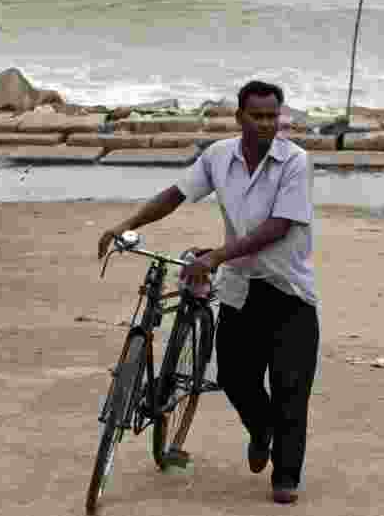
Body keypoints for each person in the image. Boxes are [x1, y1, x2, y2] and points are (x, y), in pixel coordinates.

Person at [97, 80, 319, 504]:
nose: (267, 124)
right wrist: (128, 224)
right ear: (240, 118)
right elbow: (175, 195)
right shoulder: (220, 156)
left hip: (289, 291)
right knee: (236, 378)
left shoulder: (295, 162)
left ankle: (286, 474)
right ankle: (261, 429)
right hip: (241, 288)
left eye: (273, 116)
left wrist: (215, 256)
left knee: (291, 386)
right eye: (257, 116)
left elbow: (279, 226)